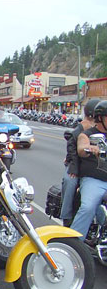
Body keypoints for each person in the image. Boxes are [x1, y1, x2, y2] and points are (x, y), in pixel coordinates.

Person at [70, 100, 107, 241]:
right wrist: (90, 148)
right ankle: (73, 243)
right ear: (100, 118)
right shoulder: (87, 135)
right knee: (88, 207)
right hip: (94, 180)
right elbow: (81, 148)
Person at [60, 99, 99, 227]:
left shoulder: (101, 129)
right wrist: (74, 168)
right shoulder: (82, 128)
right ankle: (66, 218)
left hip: (93, 165)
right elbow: (72, 149)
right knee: (69, 181)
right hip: (75, 163)